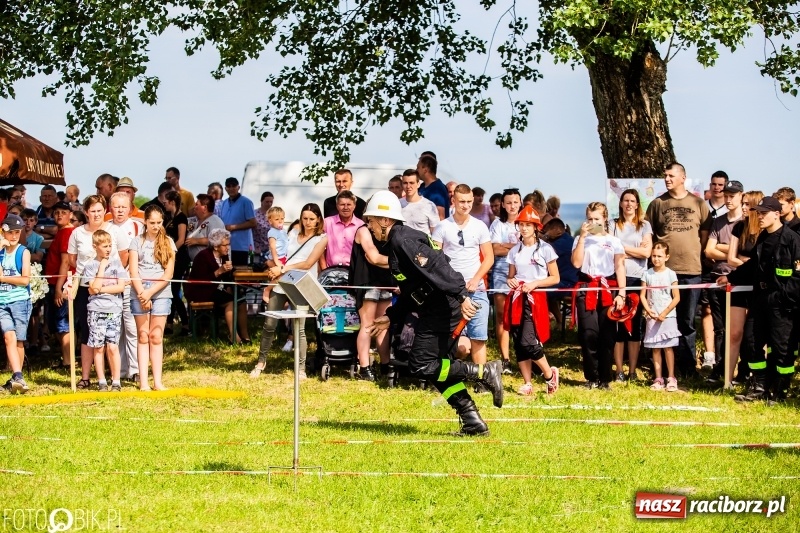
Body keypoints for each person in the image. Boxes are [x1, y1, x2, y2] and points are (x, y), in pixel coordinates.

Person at [363, 191, 504, 436]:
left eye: (371, 221)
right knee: (439, 368)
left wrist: (461, 295)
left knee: (420, 364)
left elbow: (439, 267)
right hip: (437, 307)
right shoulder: (399, 242)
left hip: (442, 309)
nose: (369, 226)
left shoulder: (402, 241)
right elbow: (413, 290)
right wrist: (392, 316)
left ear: (385, 220)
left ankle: (484, 372)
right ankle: (473, 422)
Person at [720, 197, 800, 403]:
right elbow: (752, 266)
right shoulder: (763, 238)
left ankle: (780, 390)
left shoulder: (793, 239)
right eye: (759, 213)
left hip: (781, 303)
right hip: (760, 299)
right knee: (751, 342)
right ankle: (759, 386)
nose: (760, 217)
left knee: (783, 349)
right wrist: (730, 277)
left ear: (777, 213)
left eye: (764, 213)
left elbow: (798, 275)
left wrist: (784, 297)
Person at [646, 162, 712, 377]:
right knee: (662, 317)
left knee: (687, 320)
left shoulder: (698, 203)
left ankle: (688, 366)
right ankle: (663, 366)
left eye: (671, 175)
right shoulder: (657, 204)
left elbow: (704, 235)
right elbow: (650, 233)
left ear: (683, 177)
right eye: (665, 175)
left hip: (691, 270)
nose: (667, 179)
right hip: (664, 272)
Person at [250, 203, 328, 379]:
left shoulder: (322, 238)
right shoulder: (291, 233)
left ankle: (300, 368)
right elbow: (278, 252)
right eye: (305, 218)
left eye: (311, 219)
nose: (307, 222)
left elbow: (308, 263)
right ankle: (261, 362)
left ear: (318, 220)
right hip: (282, 283)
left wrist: (282, 269)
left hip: (301, 284)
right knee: (269, 323)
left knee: (298, 328)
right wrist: (275, 265)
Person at [67, 195, 130, 390]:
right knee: (88, 333)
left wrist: (109, 278)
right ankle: (86, 377)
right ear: (86, 212)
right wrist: (90, 275)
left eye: (99, 210)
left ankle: (114, 378)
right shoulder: (77, 233)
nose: (96, 214)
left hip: (110, 288)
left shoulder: (114, 230)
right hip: (86, 286)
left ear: (105, 211)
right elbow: (72, 260)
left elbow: (123, 256)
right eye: (92, 211)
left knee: (110, 336)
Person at [432, 184, 494, 383]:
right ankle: (445, 378)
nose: (466, 205)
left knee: (478, 337)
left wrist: (476, 279)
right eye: (462, 202)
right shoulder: (442, 227)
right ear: (454, 201)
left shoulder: (480, 226)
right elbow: (436, 259)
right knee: (447, 338)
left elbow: (489, 258)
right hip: (449, 292)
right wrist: (448, 283)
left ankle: (482, 380)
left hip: (476, 290)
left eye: (469, 201)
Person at [504, 206, 560, 395]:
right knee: (519, 341)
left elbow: (555, 278)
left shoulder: (546, 249)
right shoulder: (514, 251)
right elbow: (510, 276)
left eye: (529, 225)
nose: (525, 228)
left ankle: (549, 375)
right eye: (521, 224)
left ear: (536, 227)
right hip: (517, 297)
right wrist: (510, 280)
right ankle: (527, 383)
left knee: (529, 341)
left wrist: (535, 283)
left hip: (534, 298)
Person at [571, 202, 626, 389]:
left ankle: (605, 378)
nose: (593, 222)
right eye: (590, 219)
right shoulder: (580, 239)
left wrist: (622, 294)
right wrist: (582, 238)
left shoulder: (614, 241)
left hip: (608, 287)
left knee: (608, 335)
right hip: (587, 286)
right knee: (588, 334)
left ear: (604, 219)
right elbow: (576, 264)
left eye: (597, 219)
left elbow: (620, 267)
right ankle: (591, 377)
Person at [129, 206, 176, 391]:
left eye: (159, 222)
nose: (156, 226)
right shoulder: (136, 242)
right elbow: (133, 271)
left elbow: (169, 273)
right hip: (139, 290)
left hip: (161, 291)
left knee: (156, 336)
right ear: (145, 222)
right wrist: (143, 293)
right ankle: (143, 382)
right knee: (143, 336)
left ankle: (157, 381)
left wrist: (151, 292)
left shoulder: (168, 242)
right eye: (152, 223)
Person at [703, 180, 744, 382]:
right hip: (716, 280)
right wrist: (732, 250)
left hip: (739, 281)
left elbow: (748, 255)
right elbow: (708, 250)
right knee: (720, 328)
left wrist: (723, 247)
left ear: (741, 196)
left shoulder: (747, 222)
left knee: (739, 330)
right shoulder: (718, 221)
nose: (728, 199)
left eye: (732, 196)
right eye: (726, 195)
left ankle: (741, 370)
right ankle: (720, 368)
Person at [610, 189, 652, 381]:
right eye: (625, 200)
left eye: (632, 201)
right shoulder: (612, 225)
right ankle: (619, 370)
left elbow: (646, 253)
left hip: (637, 278)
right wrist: (633, 250)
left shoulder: (644, 226)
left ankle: (633, 370)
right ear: (620, 203)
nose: (628, 204)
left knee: (635, 326)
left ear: (637, 204)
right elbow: (610, 251)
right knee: (617, 325)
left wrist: (622, 248)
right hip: (616, 279)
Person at [185, 229, 250, 344]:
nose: (228, 247)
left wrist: (228, 283)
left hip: (215, 289)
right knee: (230, 301)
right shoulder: (203, 256)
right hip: (200, 291)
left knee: (241, 300)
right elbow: (201, 280)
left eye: (229, 244)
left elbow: (226, 277)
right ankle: (233, 336)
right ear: (215, 246)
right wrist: (219, 271)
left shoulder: (224, 256)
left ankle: (245, 336)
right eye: (225, 245)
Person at [725, 190, 763, 385]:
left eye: (748, 204)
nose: (744, 207)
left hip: (758, 288)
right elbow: (731, 258)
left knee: (755, 335)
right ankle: (727, 379)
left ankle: (757, 379)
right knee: (735, 333)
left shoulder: (766, 231)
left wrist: (748, 263)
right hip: (739, 285)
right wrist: (749, 265)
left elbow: (762, 263)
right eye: (744, 203)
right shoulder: (739, 227)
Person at [349, 219, 395, 381]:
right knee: (367, 325)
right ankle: (364, 367)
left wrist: (390, 265)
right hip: (366, 282)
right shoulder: (363, 231)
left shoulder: (389, 231)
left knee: (383, 325)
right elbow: (373, 257)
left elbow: (378, 259)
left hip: (386, 282)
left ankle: (385, 365)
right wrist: (397, 263)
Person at [83, 229, 128, 392]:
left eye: (110, 246)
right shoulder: (90, 266)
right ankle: (101, 381)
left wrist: (100, 289)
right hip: (96, 311)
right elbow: (91, 289)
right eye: (104, 246)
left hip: (114, 310)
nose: (108, 249)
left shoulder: (117, 264)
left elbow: (120, 286)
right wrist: (101, 267)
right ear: (95, 247)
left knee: (113, 346)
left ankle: (116, 381)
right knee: (98, 347)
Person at [109, 192, 144, 381]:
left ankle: (135, 369)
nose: (120, 210)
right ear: (110, 208)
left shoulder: (138, 227)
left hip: (131, 284)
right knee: (116, 329)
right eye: (116, 206)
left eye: (124, 206)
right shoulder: (106, 228)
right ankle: (119, 369)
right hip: (111, 284)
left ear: (130, 208)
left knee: (132, 327)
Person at [489, 188, 522, 373]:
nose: (512, 206)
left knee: (523, 316)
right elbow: (494, 250)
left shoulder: (525, 222)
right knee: (502, 317)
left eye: (515, 202)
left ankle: (526, 356)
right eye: (508, 202)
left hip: (524, 273)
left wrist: (506, 246)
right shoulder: (497, 224)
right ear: (503, 204)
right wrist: (516, 246)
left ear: (520, 202)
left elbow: (531, 246)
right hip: (501, 272)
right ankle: (506, 359)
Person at [641, 243, 681, 392]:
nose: (656, 259)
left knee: (668, 348)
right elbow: (642, 296)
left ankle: (671, 377)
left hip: (668, 316)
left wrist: (665, 312)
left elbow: (676, 297)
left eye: (659, 256)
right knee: (656, 349)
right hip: (652, 317)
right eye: (654, 256)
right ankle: (658, 378)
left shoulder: (671, 274)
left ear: (666, 257)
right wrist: (649, 310)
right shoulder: (647, 274)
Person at [0, 215, 33, 394]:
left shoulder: (23, 252)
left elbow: (25, 279)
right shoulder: (1, 251)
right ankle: (18, 376)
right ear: (3, 232)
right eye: (10, 232)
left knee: (19, 342)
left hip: (20, 301)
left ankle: (18, 377)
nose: (13, 236)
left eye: (17, 232)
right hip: (2, 301)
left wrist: (4, 278)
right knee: (8, 337)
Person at [46, 202, 75, 369]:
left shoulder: (67, 233)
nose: (59, 215)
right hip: (56, 281)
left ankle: (68, 361)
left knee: (62, 324)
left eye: (63, 212)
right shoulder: (62, 232)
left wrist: (58, 288)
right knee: (59, 324)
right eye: (56, 212)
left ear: (70, 214)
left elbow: (65, 261)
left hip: (61, 283)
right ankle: (67, 359)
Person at [163, 191, 190, 337]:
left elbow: (180, 239)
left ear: (172, 202)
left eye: (166, 202)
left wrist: (170, 253)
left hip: (179, 258)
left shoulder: (181, 218)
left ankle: (185, 324)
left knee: (174, 291)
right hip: (171, 258)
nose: (164, 204)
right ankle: (169, 324)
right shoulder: (169, 218)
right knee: (170, 292)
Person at [219, 177, 256, 266]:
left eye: (234, 186)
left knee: (241, 275)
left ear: (238, 187)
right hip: (227, 247)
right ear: (225, 189)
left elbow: (253, 222)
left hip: (242, 248)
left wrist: (234, 227)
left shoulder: (246, 202)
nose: (231, 188)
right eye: (229, 186)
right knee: (227, 275)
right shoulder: (224, 203)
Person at [323, 190, 363, 267]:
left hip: (353, 271)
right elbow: (319, 249)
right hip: (330, 270)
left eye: (349, 204)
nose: (345, 207)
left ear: (354, 206)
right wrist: (324, 269)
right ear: (337, 206)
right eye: (342, 204)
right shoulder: (327, 223)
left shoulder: (361, 226)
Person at [185, 194, 225, 261]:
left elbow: (219, 240)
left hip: (211, 266)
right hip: (197, 265)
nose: (194, 207)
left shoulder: (215, 221)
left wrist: (196, 241)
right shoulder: (194, 220)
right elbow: (180, 221)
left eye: (197, 204)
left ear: (205, 208)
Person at [262, 206, 288, 303]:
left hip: (284, 257)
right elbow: (273, 247)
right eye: (277, 219)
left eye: (282, 218)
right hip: (277, 258)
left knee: (283, 276)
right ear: (270, 221)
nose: (280, 221)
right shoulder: (272, 232)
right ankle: (267, 290)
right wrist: (276, 261)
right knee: (280, 275)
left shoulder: (284, 231)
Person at [400, 169, 439, 235]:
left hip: (422, 244)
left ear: (418, 184)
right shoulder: (397, 204)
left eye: (412, 183)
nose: (408, 186)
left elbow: (436, 234)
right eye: (405, 183)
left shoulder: (429, 205)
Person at [416, 155, 448, 220]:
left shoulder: (438, 190)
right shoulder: (421, 186)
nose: (416, 170)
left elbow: (440, 217)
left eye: (418, 167)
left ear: (425, 170)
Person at [253, 191, 275, 257]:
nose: (269, 204)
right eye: (267, 202)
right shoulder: (254, 213)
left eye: (271, 202)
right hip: (257, 248)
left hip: (270, 249)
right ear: (261, 201)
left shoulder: (274, 214)